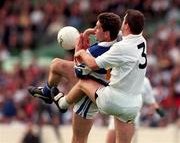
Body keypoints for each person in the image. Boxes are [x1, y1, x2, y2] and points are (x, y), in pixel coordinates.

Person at [51, 9, 147, 143]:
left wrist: (81, 51)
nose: (122, 23)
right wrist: (92, 31)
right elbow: (118, 35)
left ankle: (63, 103)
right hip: (133, 106)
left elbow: (93, 64)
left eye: (123, 21)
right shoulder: (141, 40)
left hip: (113, 100)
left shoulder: (121, 48)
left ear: (127, 26)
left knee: (84, 82)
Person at [28, 12, 122, 143]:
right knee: (56, 64)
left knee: (78, 140)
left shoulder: (95, 52)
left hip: (90, 91)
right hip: (97, 79)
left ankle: (62, 103)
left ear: (106, 34)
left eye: (97, 27)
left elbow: (79, 72)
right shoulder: (118, 38)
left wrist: (78, 48)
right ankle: (46, 92)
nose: (95, 30)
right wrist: (89, 32)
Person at [106, 77, 165, 143]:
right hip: (117, 114)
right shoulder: (123, 75)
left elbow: (151, 100)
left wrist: (159, 111)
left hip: (132, 117)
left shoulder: (145, 81)